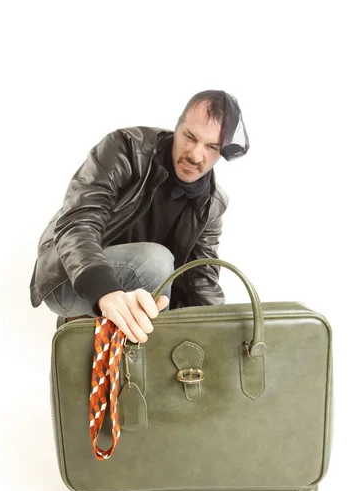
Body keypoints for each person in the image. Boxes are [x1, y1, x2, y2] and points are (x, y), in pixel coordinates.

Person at [29, 90, 249, 343]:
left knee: (175, 288)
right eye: (190, 137)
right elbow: (79, 222)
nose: (195, 155)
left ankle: (144, 364)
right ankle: (147, 362)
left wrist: (220, 339)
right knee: (156, 261)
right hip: (70, 275)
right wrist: (107, 293)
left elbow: (201, 279)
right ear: (177, 127)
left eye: (212, 147)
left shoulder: (212, 203)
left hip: (144, 294)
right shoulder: (126, 148)